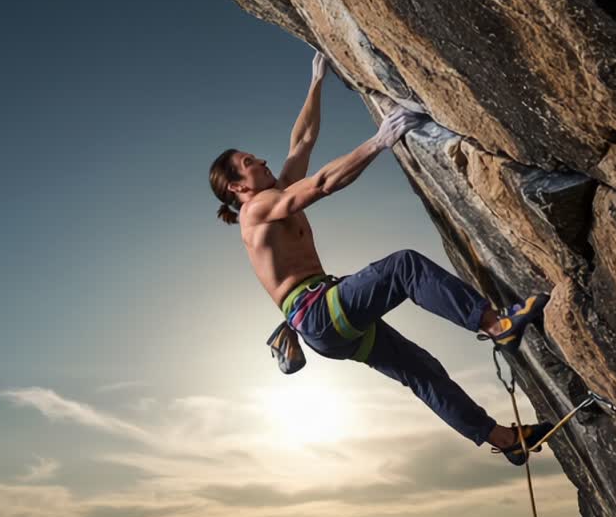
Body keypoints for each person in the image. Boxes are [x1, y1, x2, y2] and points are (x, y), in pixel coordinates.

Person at [207, 52, 552, 465]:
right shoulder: (256, 210)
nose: (261, 161)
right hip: (319, 312)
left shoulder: (274, 194)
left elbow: (302, 142)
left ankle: (506, 440)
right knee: (404, 267)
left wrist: (316, 83)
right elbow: (321, 184)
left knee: (421, 370)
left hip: (326, 323)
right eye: (249, 163)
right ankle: (497, 325)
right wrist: (378, 141)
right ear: (235, 187)